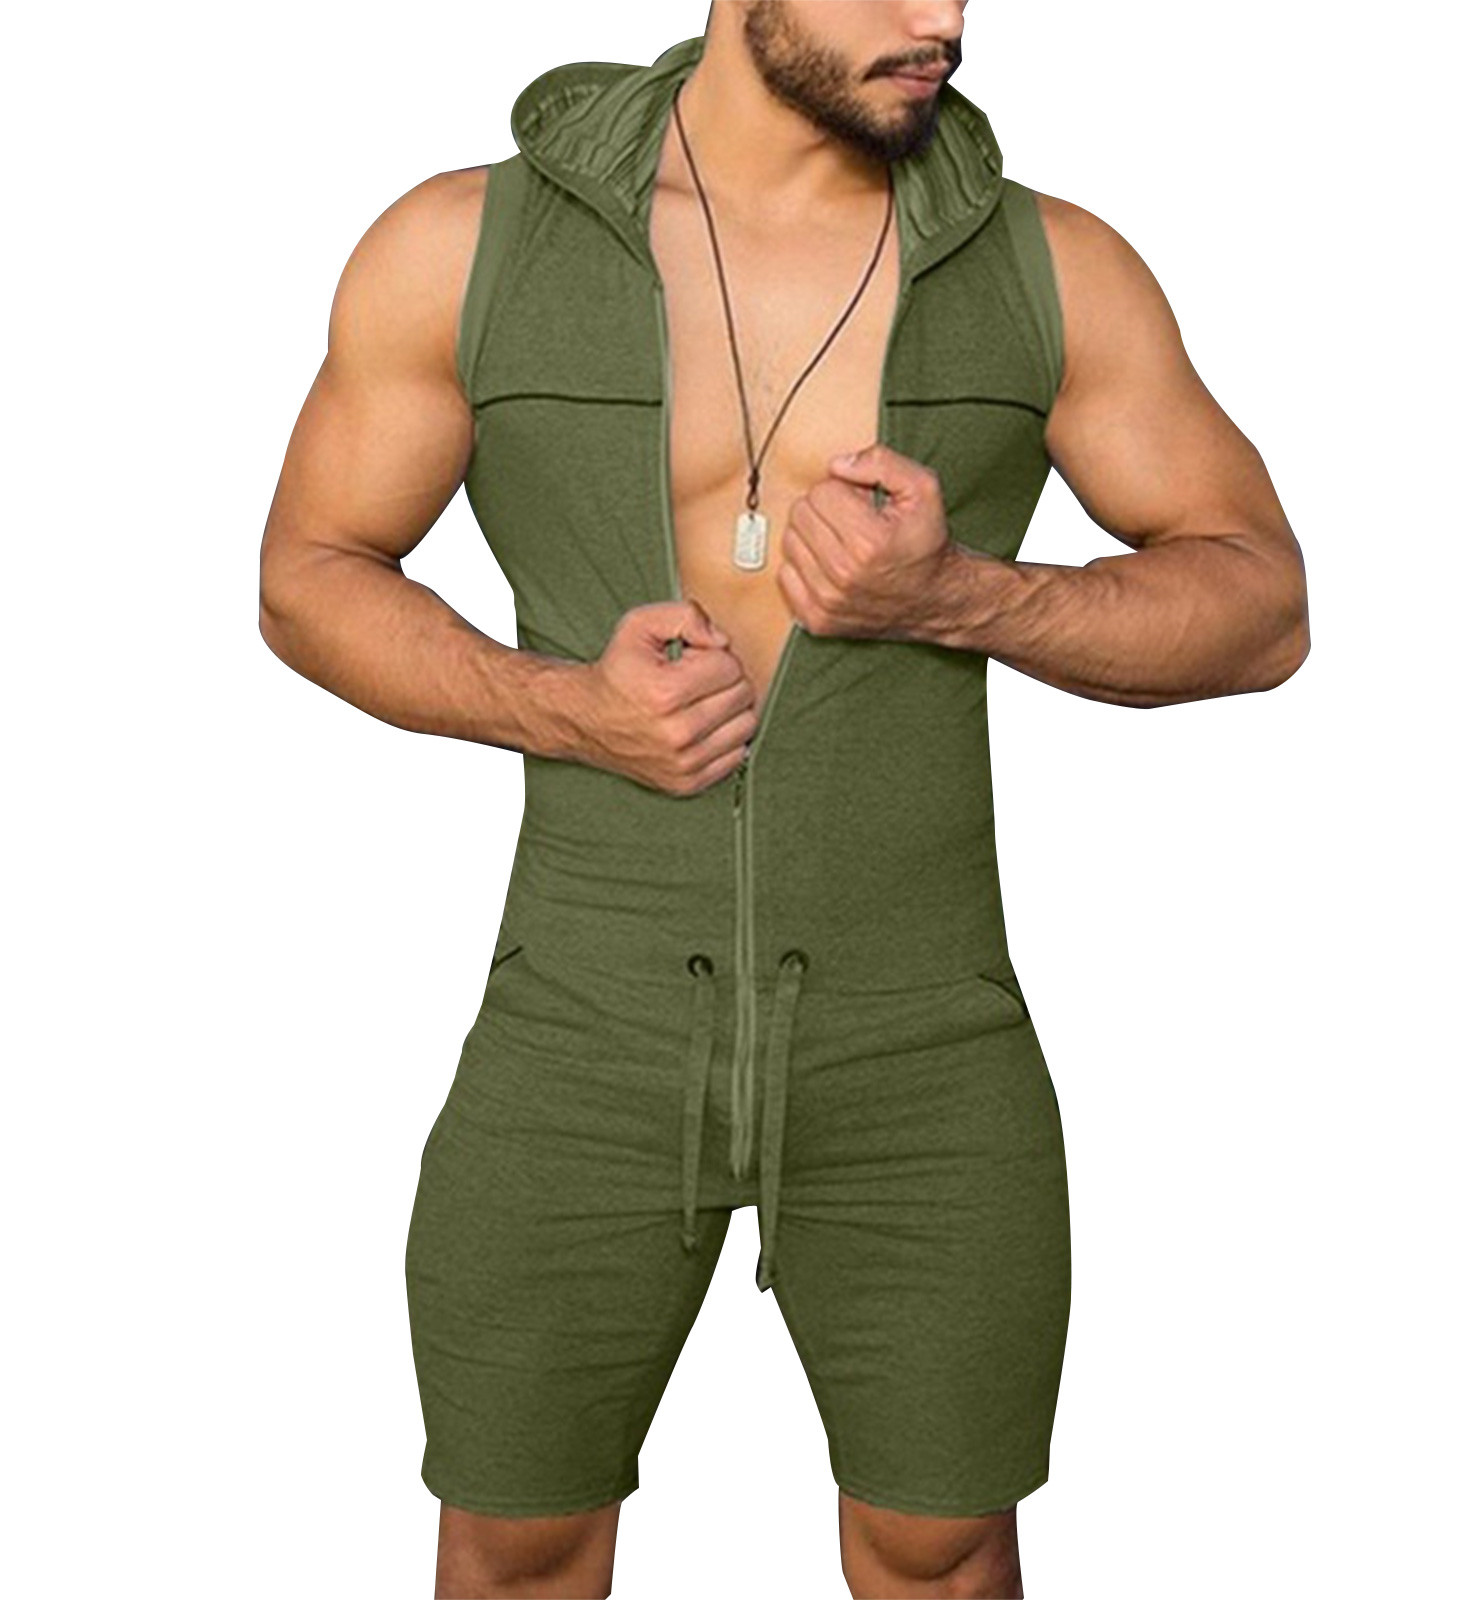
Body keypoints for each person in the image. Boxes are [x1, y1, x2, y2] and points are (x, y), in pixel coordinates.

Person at [258, 3, 1309, 1595]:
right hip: (581, 1028)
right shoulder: (461, 248)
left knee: (940, 1547)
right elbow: (309, 573)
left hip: (923, 1045)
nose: (940, 18)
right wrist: (566, 708)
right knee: (517, 1541)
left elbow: (1260, 605)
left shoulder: (1055, 269)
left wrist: (962, 595)